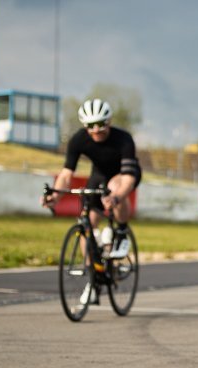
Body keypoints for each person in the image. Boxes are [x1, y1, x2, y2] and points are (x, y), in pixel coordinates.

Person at [41, 98, 142, 303]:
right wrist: (55, 196)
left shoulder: (123, 139)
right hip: (99, 175)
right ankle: (94, 278)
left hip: (123, 175)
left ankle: (121, 232)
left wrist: (116, 197)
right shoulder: (79, 139)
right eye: (90, 126)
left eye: (101, 125)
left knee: (115, 187)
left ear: (109, 121)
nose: (96, 130)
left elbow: (129, 179)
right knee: (87, 224)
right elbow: (67, 174)